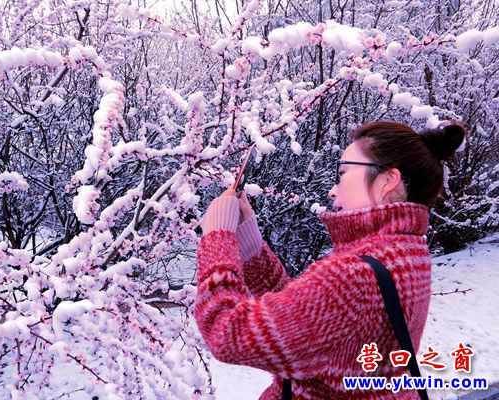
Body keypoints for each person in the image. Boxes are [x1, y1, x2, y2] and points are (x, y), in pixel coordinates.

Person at [194, 121, 467, 399]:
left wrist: (217, 236)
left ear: (387, 180)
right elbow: (307, 323)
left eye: (343, 173)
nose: (332, 190)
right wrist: (250, 243)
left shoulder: (354, 275)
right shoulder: (403, 250)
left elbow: (227, 332)